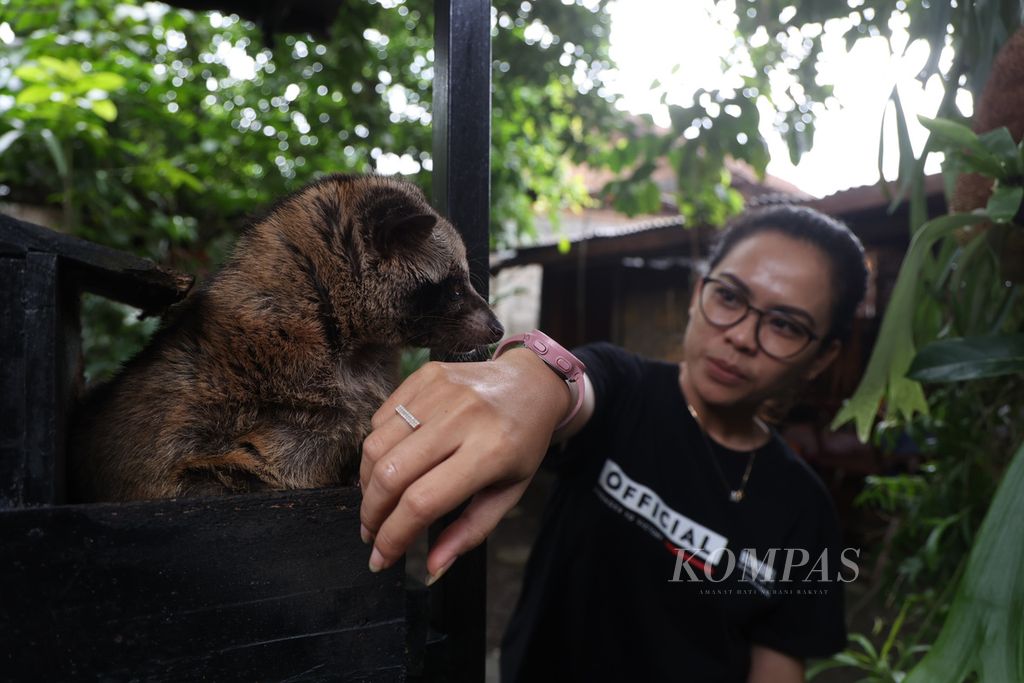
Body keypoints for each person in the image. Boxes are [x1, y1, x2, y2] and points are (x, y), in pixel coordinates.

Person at [358, 204, 868, 682]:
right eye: (730, 296)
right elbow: (571, 386)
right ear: (697, 293)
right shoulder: (629, 389)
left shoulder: (806, 511)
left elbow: (778, 665)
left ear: (821, 358)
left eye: (784, 324)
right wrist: (525, 380)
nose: (741, 335)